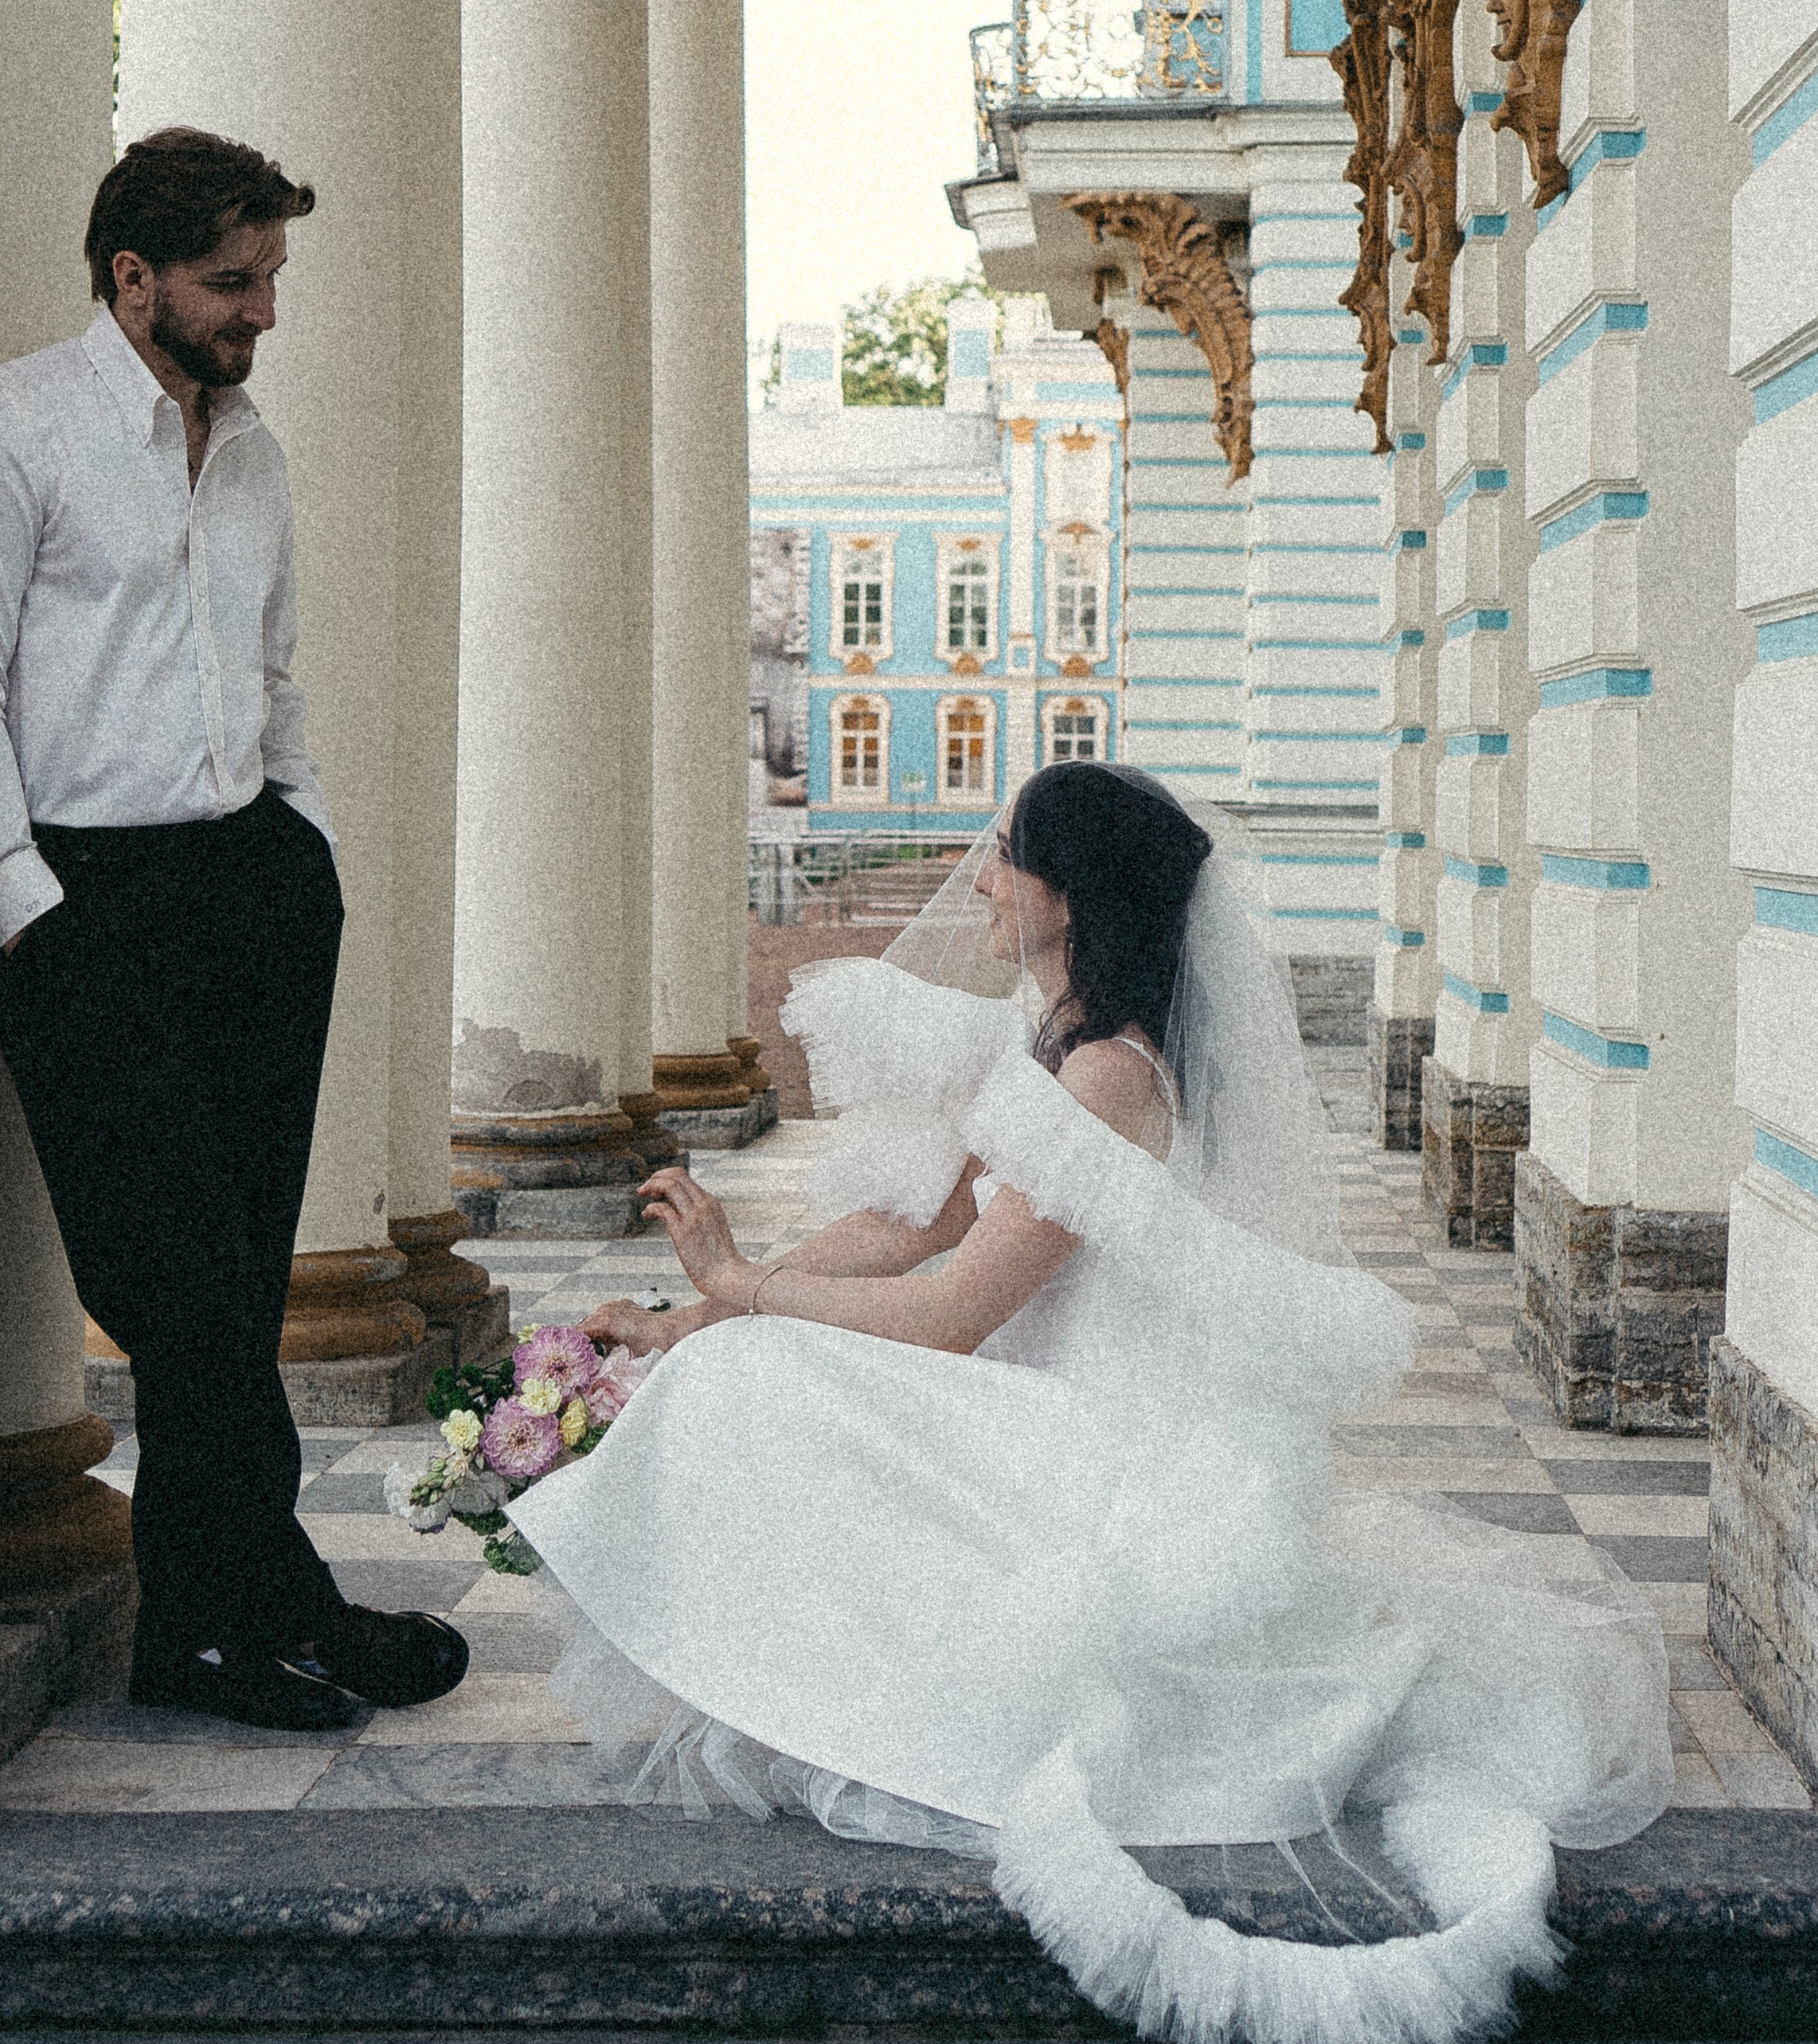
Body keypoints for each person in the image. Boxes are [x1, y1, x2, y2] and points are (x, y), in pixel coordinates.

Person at [511, 762, 1672, 2044]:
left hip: (1105, 1443)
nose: (981, 878)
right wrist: (693, 1316)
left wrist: (740, 1292)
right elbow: (912, 1231)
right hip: (1032, 1400)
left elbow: (958, 1312)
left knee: (763, 1376)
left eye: (1006, 854)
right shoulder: (1041, 1040)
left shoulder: (1110, 1078)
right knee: (737, 1362)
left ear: (1072, 895)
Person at [0, 126, 467, 1733]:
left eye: (268, 281)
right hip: (81, 906)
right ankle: (256, 1610)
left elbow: (275, 672)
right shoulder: (14, 429)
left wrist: (298, 842)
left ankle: (221, 1621)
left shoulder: (253, 452)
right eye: (232, 283)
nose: (260, 315)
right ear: (133, 278)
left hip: (246, 888)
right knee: (173, 1284)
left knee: (233, 1289)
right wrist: (24, 905)